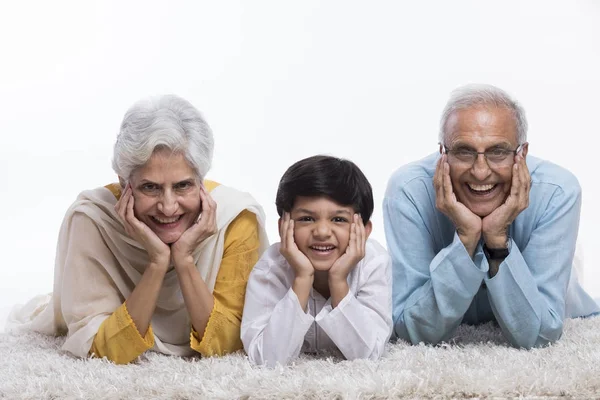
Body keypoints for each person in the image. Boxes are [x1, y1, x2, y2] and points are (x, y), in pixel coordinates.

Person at [8, 95, 269, 364]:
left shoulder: (235, 219)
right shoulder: (94, 220)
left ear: (201, 180)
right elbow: (102, 348)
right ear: (124, 184)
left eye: (183, 186)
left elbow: (228, 343)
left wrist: (184, 260)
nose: (168, 207)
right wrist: (157, 263)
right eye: (150, 187)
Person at [383, 84, 600, 349]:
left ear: (522, 154)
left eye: (498, 151)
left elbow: (539, 335)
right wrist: (466, 238)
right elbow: (412, 331)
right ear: (443, 154)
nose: (481, 171)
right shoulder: (408, 191)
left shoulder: (558, 191)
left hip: (553, 280)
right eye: (464, 151)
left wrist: (497, 240)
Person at [241, 155, 392, 367]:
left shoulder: (373, 262)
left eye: (338, 219)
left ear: (365, 231)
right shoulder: (271, 268)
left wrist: (339, 281)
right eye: (306, 219)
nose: (322, 232)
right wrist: (302, 278)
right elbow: (266, 359)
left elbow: (369, 354)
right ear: (283, 226)